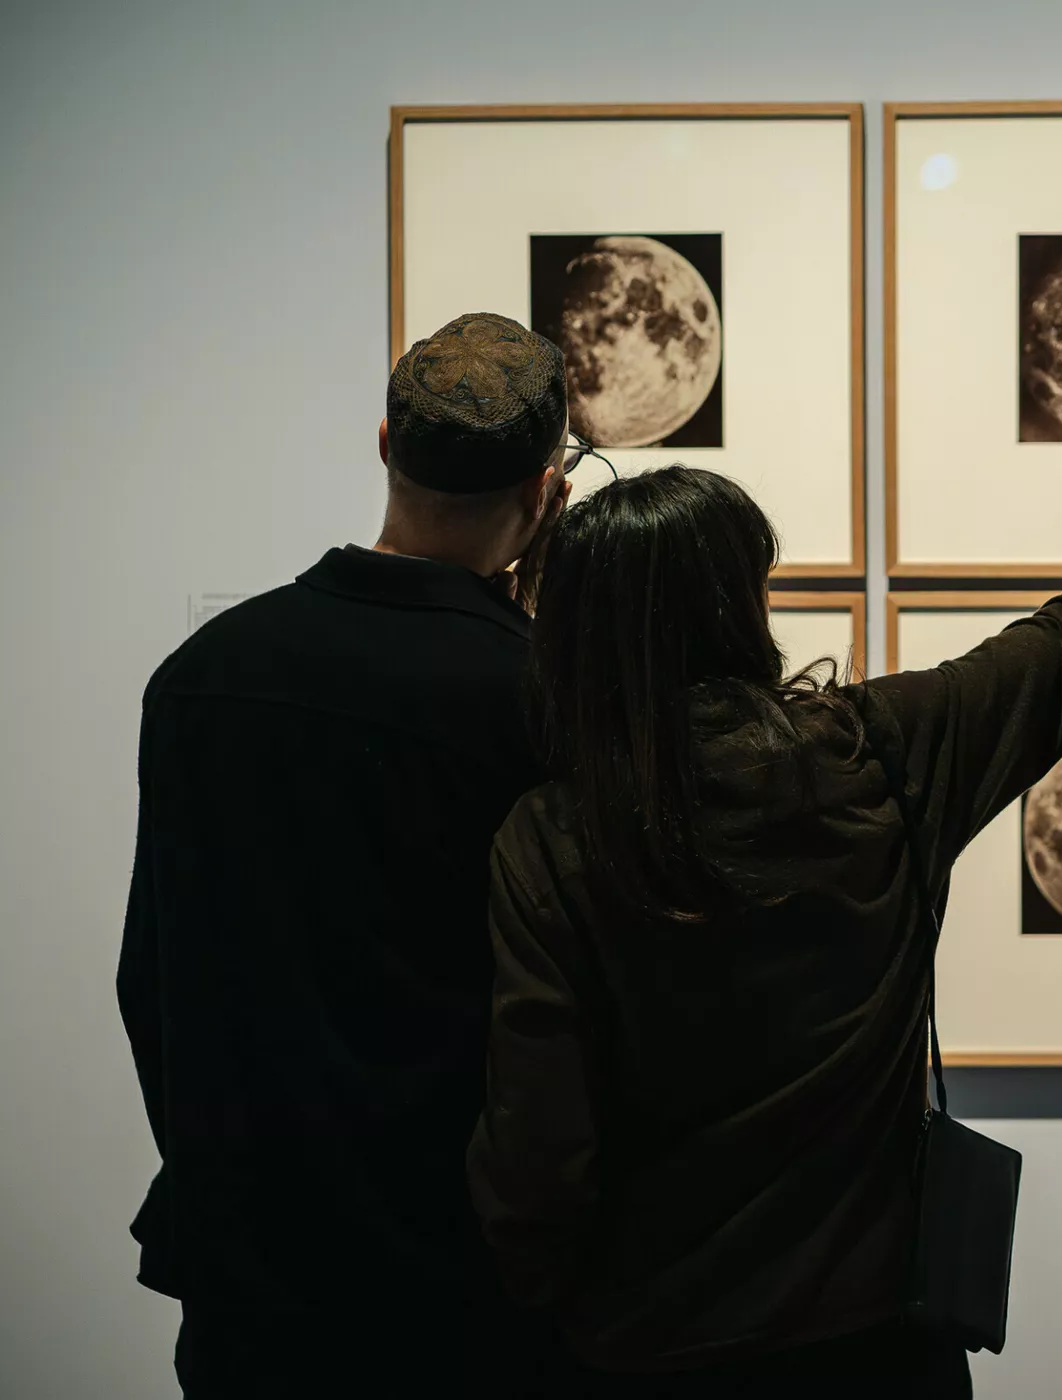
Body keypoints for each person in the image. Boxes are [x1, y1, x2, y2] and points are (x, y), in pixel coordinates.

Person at [467, 460, 1062, 1394]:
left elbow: (540, 1151)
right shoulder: (884, 752)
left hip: (650, 1349)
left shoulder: (553, 839)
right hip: (878, 1340)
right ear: (738, 607)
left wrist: (540, 1301)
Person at [118, 312, 588, 1396]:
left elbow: (155, 978)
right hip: (462, 1306)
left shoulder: (203, 674)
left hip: (252, 1291)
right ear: (548, 488)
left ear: (385, 445)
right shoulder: (540, 703)